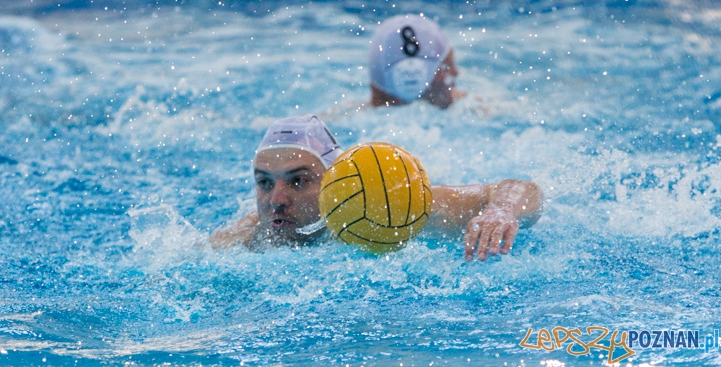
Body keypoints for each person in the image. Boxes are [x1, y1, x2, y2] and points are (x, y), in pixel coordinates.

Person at [210, 115, 543, 261]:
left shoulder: (395, 208)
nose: (276, 201)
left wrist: (501, 210)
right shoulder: (242, 240)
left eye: (298, 181)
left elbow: (520, 187)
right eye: (264, 183)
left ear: (333, 182)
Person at [369, 14, 465, 109]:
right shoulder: (467, 112)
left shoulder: (358, 116)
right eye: (448, 66)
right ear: (413, 74)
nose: (456, 73)